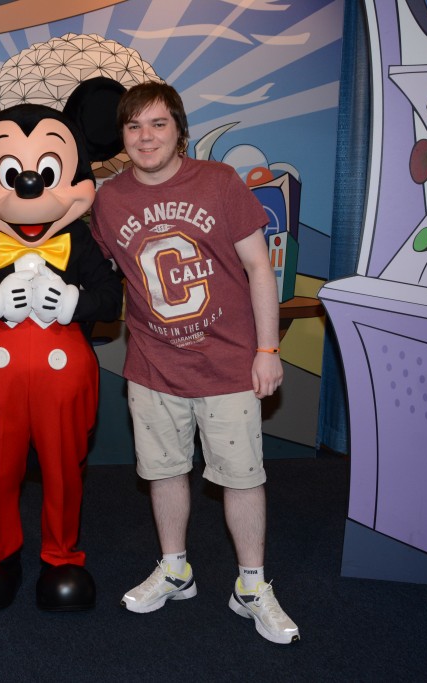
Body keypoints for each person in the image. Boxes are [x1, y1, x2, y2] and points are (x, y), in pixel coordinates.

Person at [89, 81, 300, 644]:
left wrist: (267, 349)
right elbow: (94, 271)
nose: (145, 137)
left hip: (229, 364)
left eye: (157, 124)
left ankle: (251, 586)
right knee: (163, 472)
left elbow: (259, 267)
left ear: (179, 129)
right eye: (134, 127)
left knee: (242, 478)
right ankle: (175, 567)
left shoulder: (219, 181)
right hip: (153, 365)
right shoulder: (108, 199)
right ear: (123, 136)